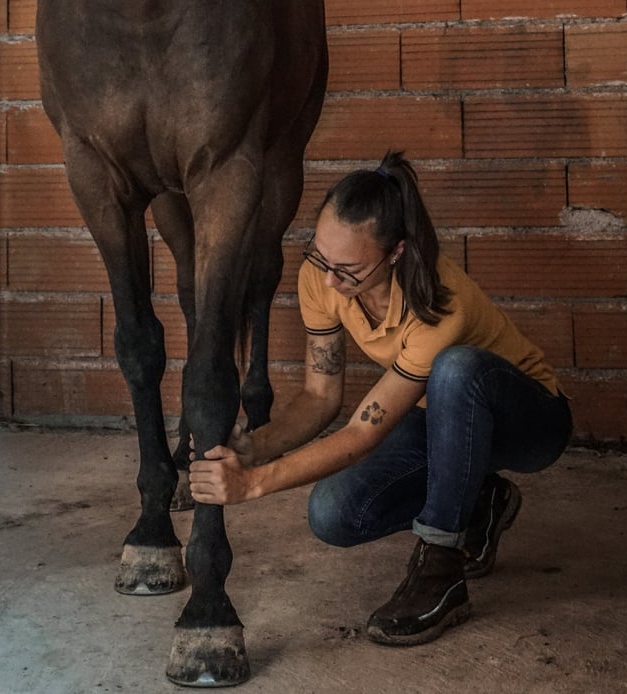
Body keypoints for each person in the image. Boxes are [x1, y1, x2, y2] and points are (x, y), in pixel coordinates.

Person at [189, 151, 572, 645]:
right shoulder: (323, 278)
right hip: (440, 423)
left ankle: (440, 569)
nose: (330, 280)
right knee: (334, 513)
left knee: (455, 369)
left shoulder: (440, 303)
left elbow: (361, 434)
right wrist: (257, 447)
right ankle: (481, 500)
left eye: (347, 269)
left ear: (396, 253)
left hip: (529, 422)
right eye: (321, 257)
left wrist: (253, 484)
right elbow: (320, 394)